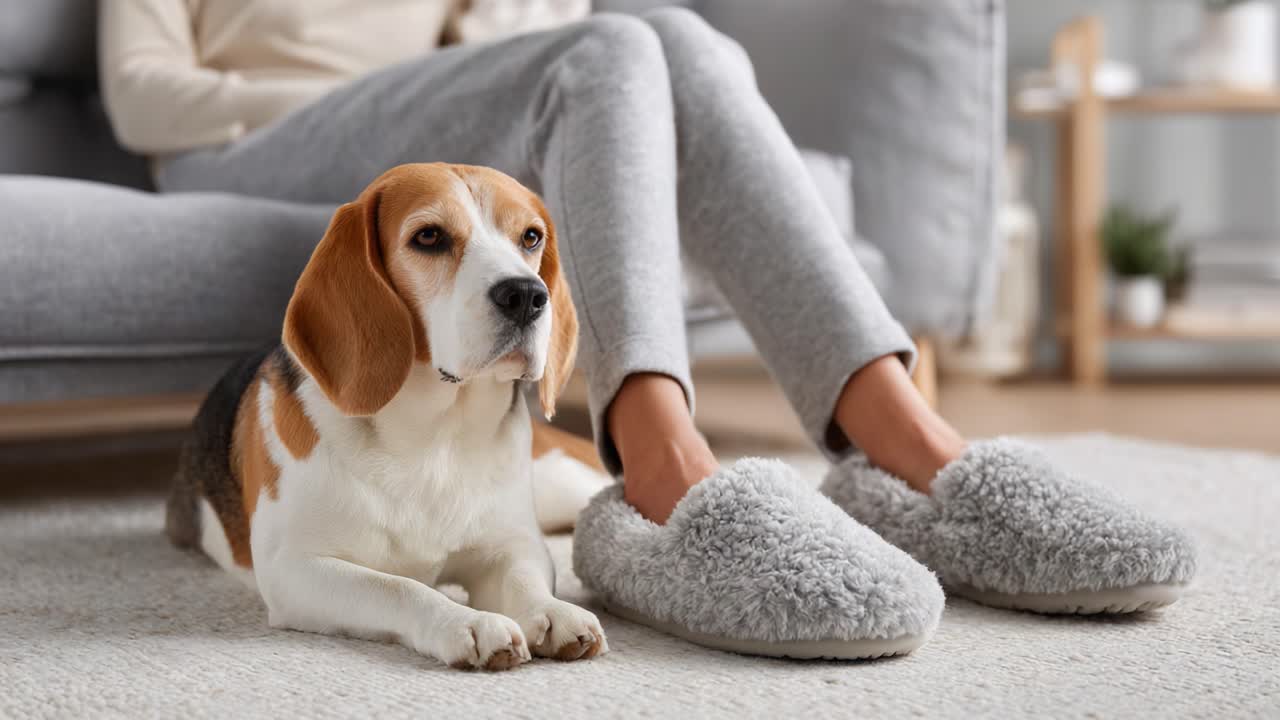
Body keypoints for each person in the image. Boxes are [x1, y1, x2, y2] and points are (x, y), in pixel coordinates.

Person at [101, 1, 1194, 650]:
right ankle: (665, 467)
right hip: (251, 137)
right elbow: (145, 95)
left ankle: (908, 450)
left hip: (450, 123)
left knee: (668, 36)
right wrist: (398, 100)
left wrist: (471, 57)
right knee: (608, 52)